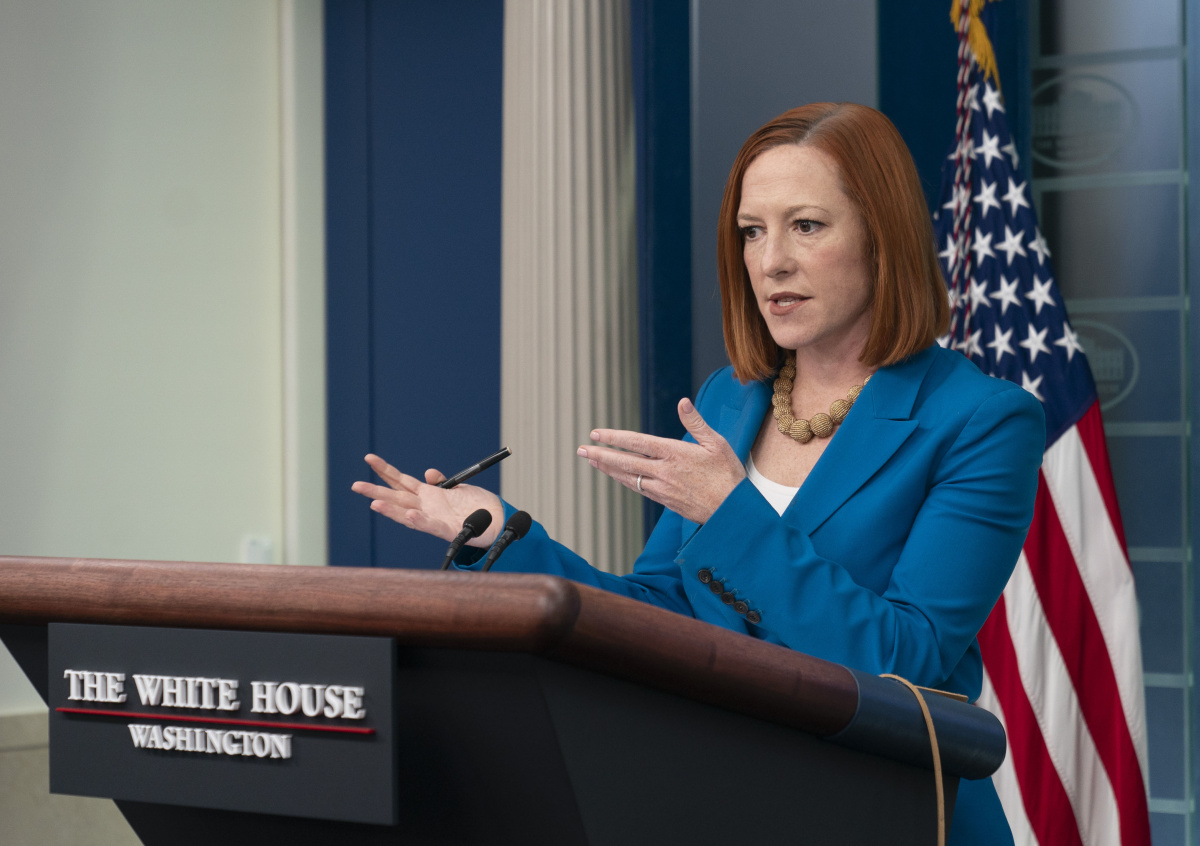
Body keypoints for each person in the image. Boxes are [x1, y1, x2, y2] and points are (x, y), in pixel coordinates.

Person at [353, 102, 1044, 846]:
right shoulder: (730, 399)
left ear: (884, 237)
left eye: (806, 226)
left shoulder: (982, 420)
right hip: (725, 800)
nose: (771, 261)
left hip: (891, 814)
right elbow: (664, 613)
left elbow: (904, 662)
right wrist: (499, 536)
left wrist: (730, 512)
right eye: (752, 231)